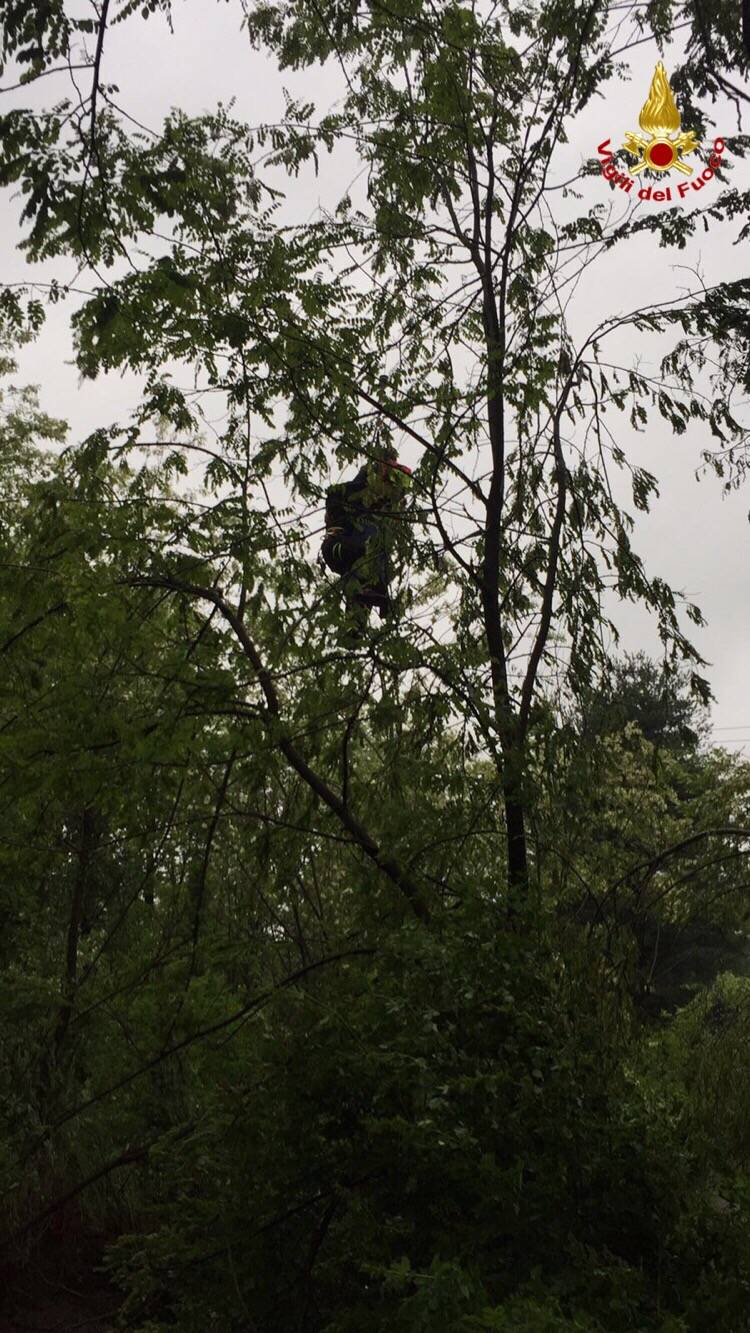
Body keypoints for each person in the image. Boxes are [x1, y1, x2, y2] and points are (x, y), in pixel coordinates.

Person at [320, 447, 413, 643]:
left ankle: (355, 630)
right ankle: (373, 593)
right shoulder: (358, 491)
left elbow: (404, 481)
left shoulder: (385, 507)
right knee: (368, 546)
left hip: (354, 554)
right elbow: (337, 495)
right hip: (340, 547)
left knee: (364, 575)